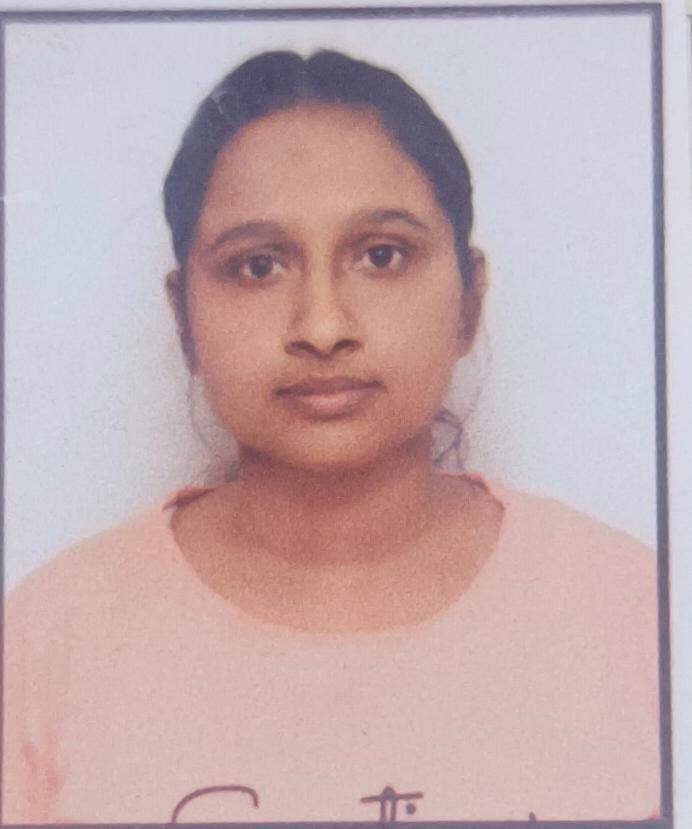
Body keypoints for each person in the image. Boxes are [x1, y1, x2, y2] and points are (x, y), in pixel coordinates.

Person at [3, 50, 659, 824]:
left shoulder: (637, 615)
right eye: (258, 266)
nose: (321, 325)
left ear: (470, 302)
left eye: (382, 255)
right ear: (183, 319)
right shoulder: (47, 640)